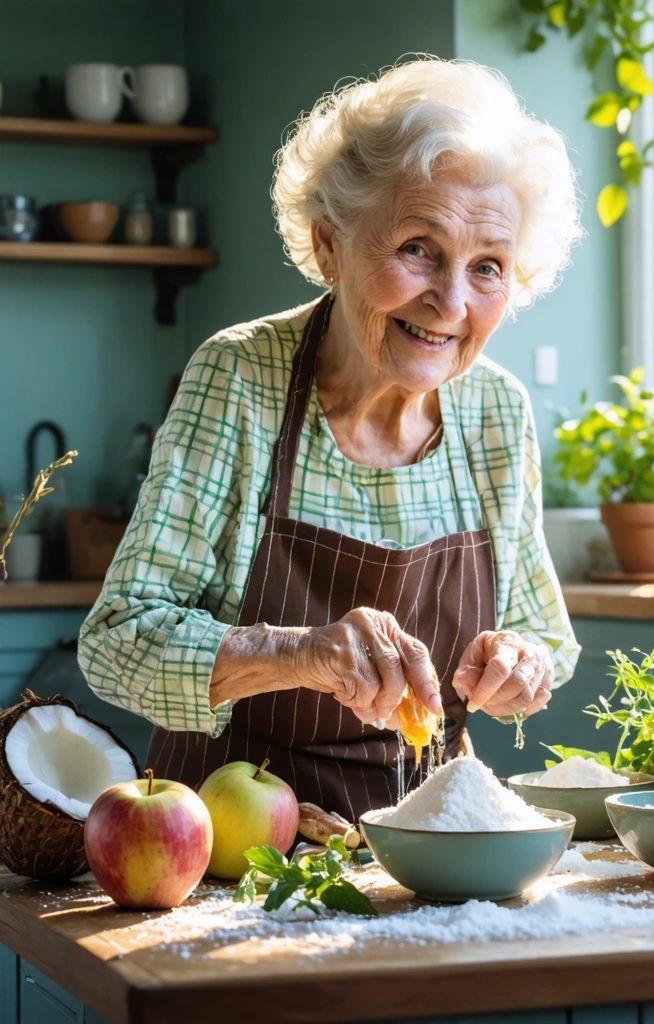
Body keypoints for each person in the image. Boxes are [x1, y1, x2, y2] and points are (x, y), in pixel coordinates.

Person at [78, 59, 582, 822]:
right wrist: (299, 652)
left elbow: (546, 631)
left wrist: (523, 663)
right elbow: (117, 643)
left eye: (488, 267)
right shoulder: (239, 378)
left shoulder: (496, 413)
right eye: (418, 247)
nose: (450, 302)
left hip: (428, 844)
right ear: (329, 246)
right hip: (234, 848)